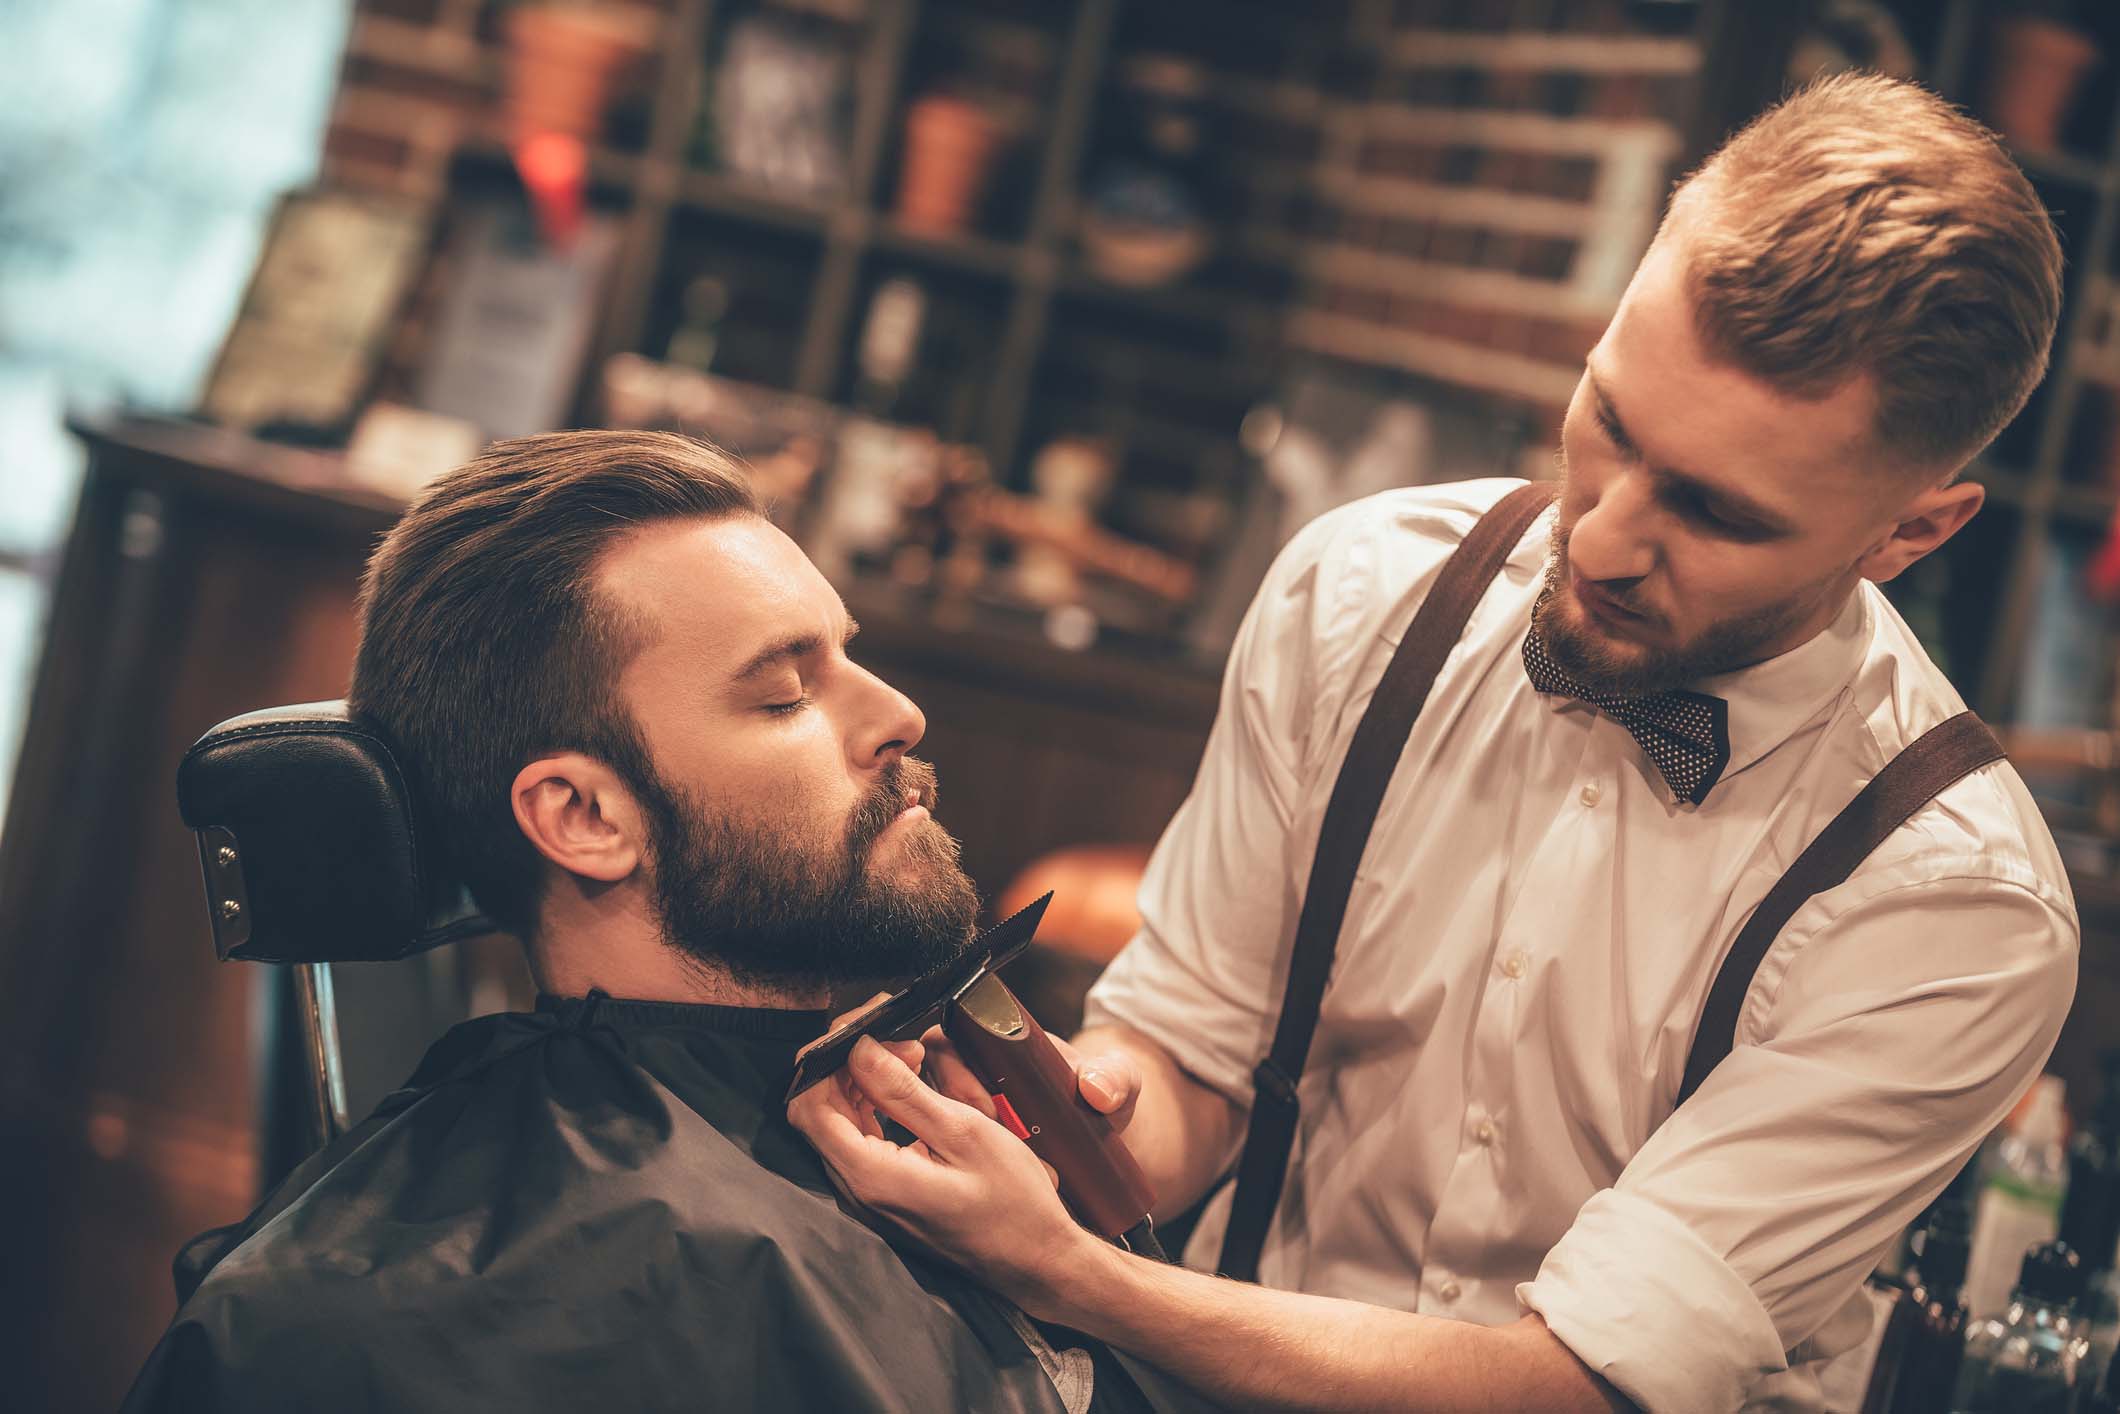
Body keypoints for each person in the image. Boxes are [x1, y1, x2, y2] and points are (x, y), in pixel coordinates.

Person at [789, 72, 2081, 1413]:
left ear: (1909, 533)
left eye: (1713, 512)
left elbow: (1581, 1382)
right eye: (1611, 423)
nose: (1597, 539)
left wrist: (1073, 1272)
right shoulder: (1366, 592)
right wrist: (1074, 1114)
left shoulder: (1957, 901)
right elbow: (1192, 1058)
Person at [120, 431, 1152, 1413]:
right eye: (787, 695)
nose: (898, 714)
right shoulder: (416, 1316)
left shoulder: (906, 1116)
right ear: (585, 816)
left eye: (848, 656)